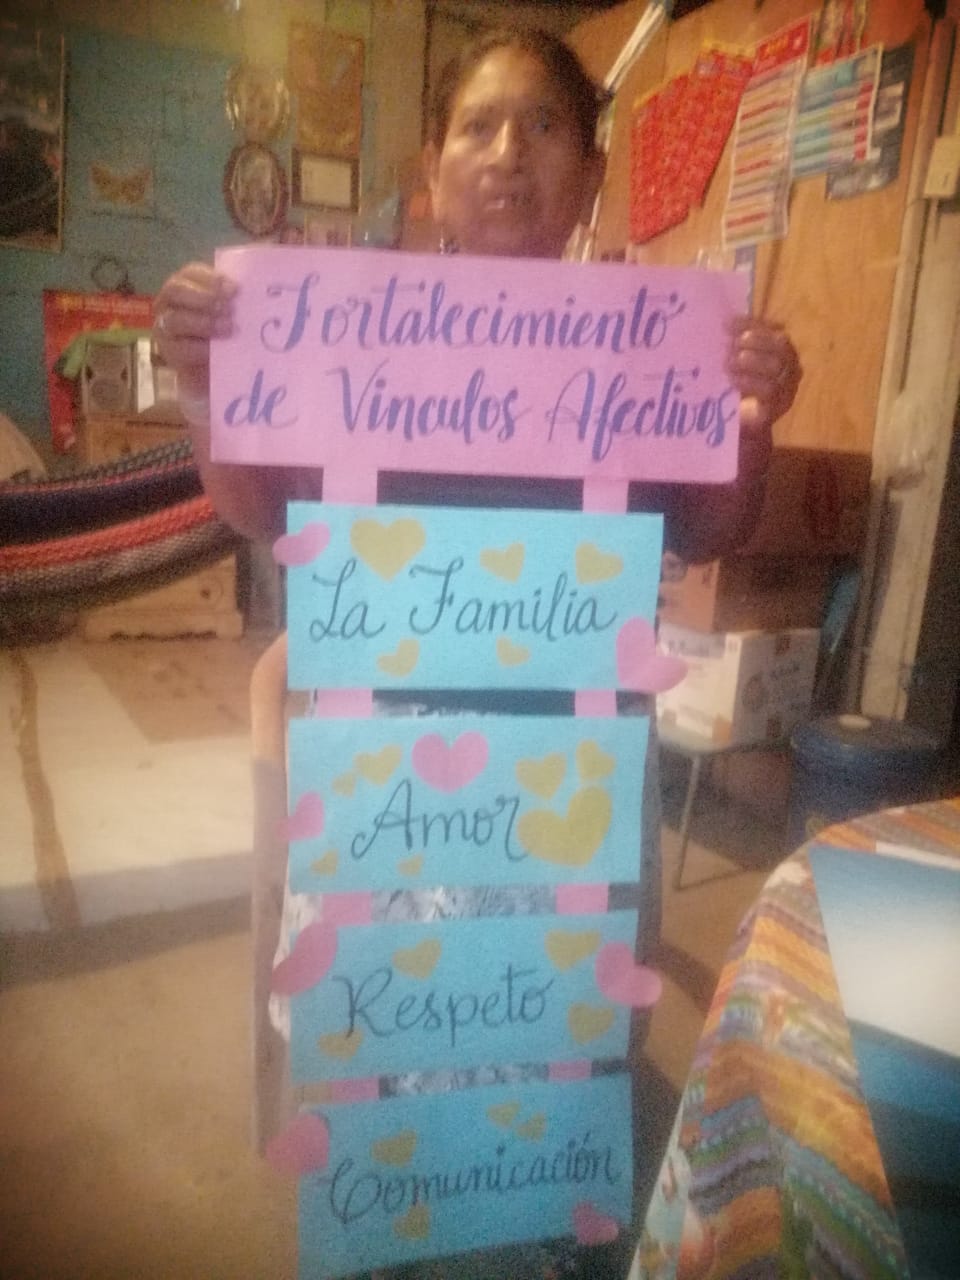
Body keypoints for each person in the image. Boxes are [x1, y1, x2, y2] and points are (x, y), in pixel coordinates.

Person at [154, 27, 801, 1280]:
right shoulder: (344, 329)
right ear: (433, 168)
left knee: (555, 1035)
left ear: (591, 171)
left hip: (570, 778)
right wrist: (203, 381)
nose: (510, 154)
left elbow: (713, 524)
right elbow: (257, 505)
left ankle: (542, 1229)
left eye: (545, 126)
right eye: (479, 128)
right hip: (386, 777)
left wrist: (752, 416)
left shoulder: (653, 346)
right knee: (392, 1043)